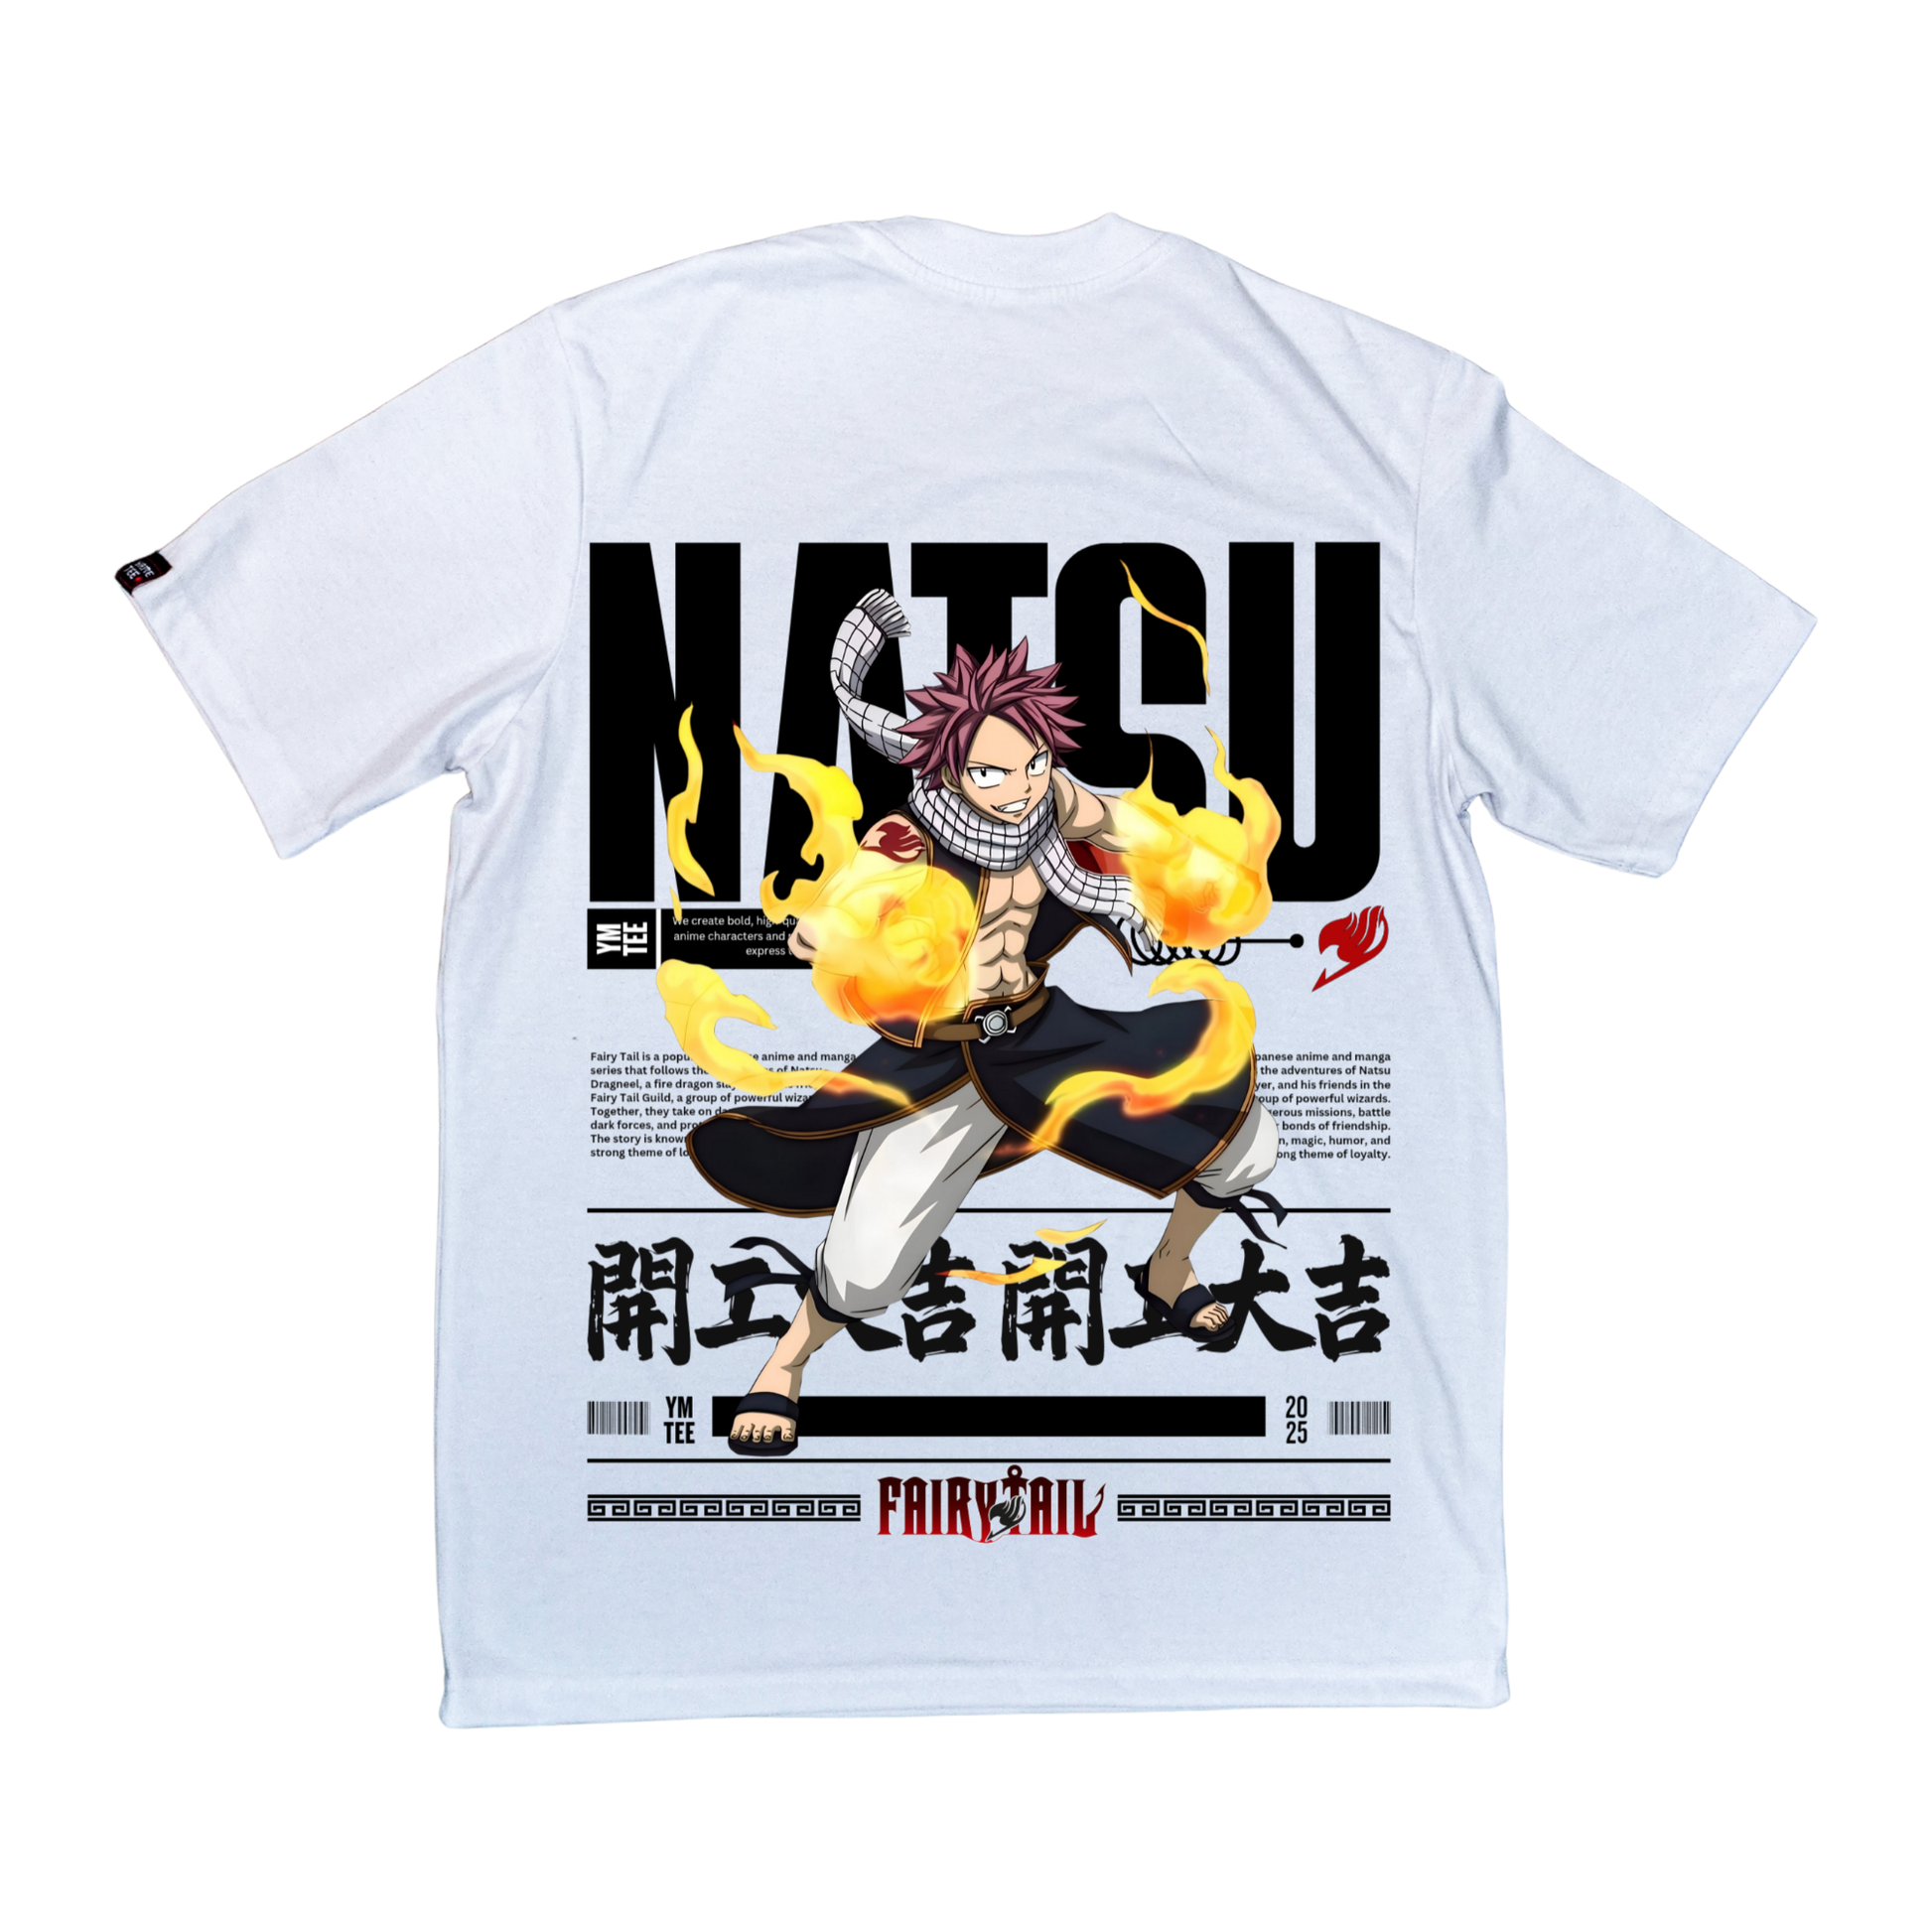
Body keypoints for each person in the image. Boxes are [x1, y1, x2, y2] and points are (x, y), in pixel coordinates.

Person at [686, 592, 1280, 1455]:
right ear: (949, 770)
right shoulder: (907, 839)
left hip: (1044, 1039)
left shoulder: (1050, 802)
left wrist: (1180, 886)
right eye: (993, 773)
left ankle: (1168, 1266)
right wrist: (838, 927)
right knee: (864, 1269)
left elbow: (1130, 826)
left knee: (1242, 1142)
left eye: (1033, 762)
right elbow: (836, 916)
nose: (1020, 788)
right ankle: (786, 1362)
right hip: (945, 1065)